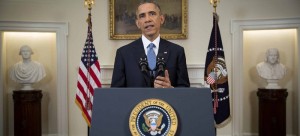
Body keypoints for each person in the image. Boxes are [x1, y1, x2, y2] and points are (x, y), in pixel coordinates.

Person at [111, 0, 190, 88]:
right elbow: (116, 93)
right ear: (138, 23)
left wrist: (171, 89)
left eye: (152, 14)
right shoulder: (123, 53)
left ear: (161, 19)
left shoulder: (177, 51)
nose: (147, 19)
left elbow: (185, 89)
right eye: (142, 16)